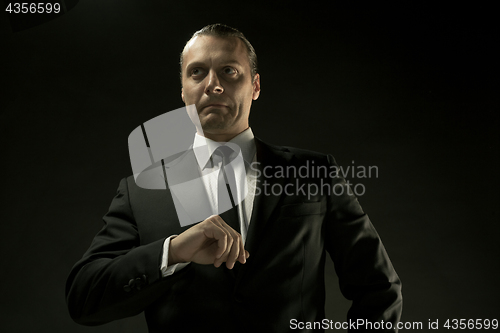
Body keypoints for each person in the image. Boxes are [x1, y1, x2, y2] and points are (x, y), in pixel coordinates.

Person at [66, 24, 402, 332]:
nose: (213, 84)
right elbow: (83, 297)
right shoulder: (141, 189)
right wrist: (172, 252)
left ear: (254, 86)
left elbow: (379, 289)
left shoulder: (316, 172)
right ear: (183, 91)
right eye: (197, 73)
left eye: (229, 71)